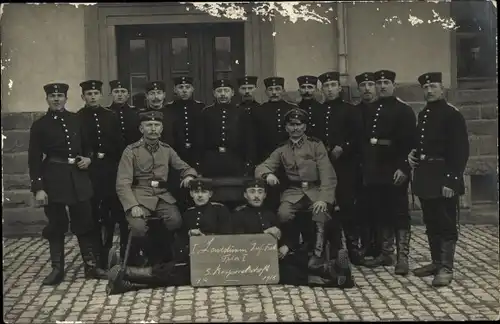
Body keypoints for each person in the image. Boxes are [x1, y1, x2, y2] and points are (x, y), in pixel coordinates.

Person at [109, 110, 197, 294]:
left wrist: (188, 175)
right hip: (139, 196)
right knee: (139, 227)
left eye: (156, 125)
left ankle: (166, 260)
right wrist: (132, 206)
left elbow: (185, 167)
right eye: (149, 125)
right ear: (141, 128)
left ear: (162, 128)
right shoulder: (131, 151)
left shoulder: (167, 150)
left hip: (162, 196)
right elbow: (122, 183)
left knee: (175, 221)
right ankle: (138, 262)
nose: (153, 129)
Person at [28, 83, 107, 285]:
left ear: (66, 98)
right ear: (47, 99)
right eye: (53, 96)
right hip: (53, 177)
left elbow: (88, 145)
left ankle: (90, 266)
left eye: (60, 96)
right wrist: (38, 188)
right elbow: (34, 158)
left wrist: (89, 159)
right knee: (57, 224)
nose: (56, 99)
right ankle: (57, 269)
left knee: (84, 221)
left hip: (78, 176)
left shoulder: (76, 120)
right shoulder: (40, 125)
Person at [254, 108, 344, 272]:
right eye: (291, 125)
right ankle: (291, 249)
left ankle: (318, 254)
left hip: (315, 190)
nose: (295, 128)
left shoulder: (316, 145)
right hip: (294, 192)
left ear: (305, 126)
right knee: (283, 214)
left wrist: (323, 198)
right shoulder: (282, 149)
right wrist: (267, 175)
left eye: (299, 124)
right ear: (286, 127)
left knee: (320, 213)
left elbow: (327, 174)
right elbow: (262, 167)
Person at [409, 72, 469, 286]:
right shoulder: (424, 114)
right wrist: (412, 153)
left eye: (433, 86)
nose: (430, 91)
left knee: (446, 223)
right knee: (431, 221)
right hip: (426, 176)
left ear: (442, 89)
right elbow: (421, 143)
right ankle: (436, 262)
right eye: (426, 88)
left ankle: (446, 267)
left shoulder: (452, 115)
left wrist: (451, 181)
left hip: (444, 176)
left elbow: (460, 151)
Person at [361, 70, 416, 276]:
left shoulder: (404, 110)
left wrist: (404, 168)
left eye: (386, 82)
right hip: (375, 168)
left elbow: (411, 144)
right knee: (380, 210)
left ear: (394, 85)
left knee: (399, 213)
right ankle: (386, 253)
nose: (382, 86)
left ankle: (403, 258)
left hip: (395, 168)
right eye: (379, 82)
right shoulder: (370, 109)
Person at [76, 80, 125, 269]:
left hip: (110, 173)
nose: (93, 97)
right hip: (88, 175)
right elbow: (78, 144)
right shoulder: (78, 118)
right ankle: (96, 256)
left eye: (96, 93)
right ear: (83, 97)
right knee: (93, 215)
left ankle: (107, 253)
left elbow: (118, 144)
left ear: (101, 96)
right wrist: (90, 157)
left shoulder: (110, 116)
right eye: (89, 94)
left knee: (110, 216)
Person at [318, 71, 364, 265]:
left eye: (333, 85)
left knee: (347, 206)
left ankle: (354, 248)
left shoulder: (350, 110)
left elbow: (358, 136)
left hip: (346, 165)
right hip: (324, 166)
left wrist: (343, 147)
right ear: (322, 89)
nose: (330, 89)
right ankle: (331, 248)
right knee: (327, 205)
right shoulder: (318, 111)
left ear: (339, 88)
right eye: (326, 86)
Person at [196, 79, 256, 209]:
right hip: (212, 160)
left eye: (226, 91)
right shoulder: (206, 113)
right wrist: (200, 164)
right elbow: (200, 140)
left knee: (235, 196)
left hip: (234, 160)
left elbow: (248, 140)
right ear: (214, 93)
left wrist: (248, 163)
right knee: (213, 196)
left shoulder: (241, 112)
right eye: (219, 91)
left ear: (233, 93)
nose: (223, 94)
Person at [106, 79, 143, 267]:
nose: (119, 94)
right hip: (110, 169)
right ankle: (107, 256)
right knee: (110, 214)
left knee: (127, 213)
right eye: (116, 91)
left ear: (128, 95)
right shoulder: (105, 114)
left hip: (132, 168)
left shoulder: (135, 114)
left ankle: (130, 255)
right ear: (111, 94)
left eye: (123, 91)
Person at [251, 77, 297, 211]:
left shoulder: (292, 109)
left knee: (289, 193)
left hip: (290, 158)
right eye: (271, 90)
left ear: (283, 90)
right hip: (266, 158)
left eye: (277, 89)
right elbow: (254, 138)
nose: (274, 92)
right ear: (266, 92)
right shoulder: (258, 110)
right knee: (269, 195)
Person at [164, 76, 205, 213]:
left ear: (192, 89)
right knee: (177, 191)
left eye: (187, 87)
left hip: (197, 155)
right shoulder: (169, 109)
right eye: (181, 88)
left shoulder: (201, 107)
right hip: (176, 155)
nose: (184, 91)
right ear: (175, 90)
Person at [354, 72, 381, 263]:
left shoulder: (383, 110)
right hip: (359, 166)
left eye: (370, 84)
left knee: (379, 208)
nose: (367, 89)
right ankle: (366, 245)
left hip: (380, 166)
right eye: (363, 85)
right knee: (362, 208)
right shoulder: (354, 111)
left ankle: (381, 248)